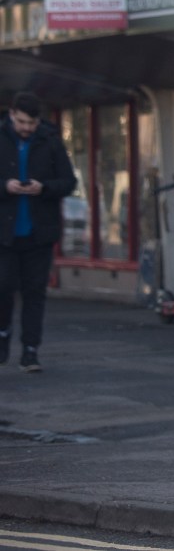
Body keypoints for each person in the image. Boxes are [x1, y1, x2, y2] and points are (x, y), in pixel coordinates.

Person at [0, 92, 78, 372]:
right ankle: (3, 332)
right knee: (3, 287)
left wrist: (43, 188)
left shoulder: (50, 141)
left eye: (31, 123)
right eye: (21, 122)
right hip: (4, 234)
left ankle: (31, 350)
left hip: (38, 233)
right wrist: (5, 186)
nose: (26, 128)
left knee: (35, 292)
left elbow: (69, 182)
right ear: (11, 115)